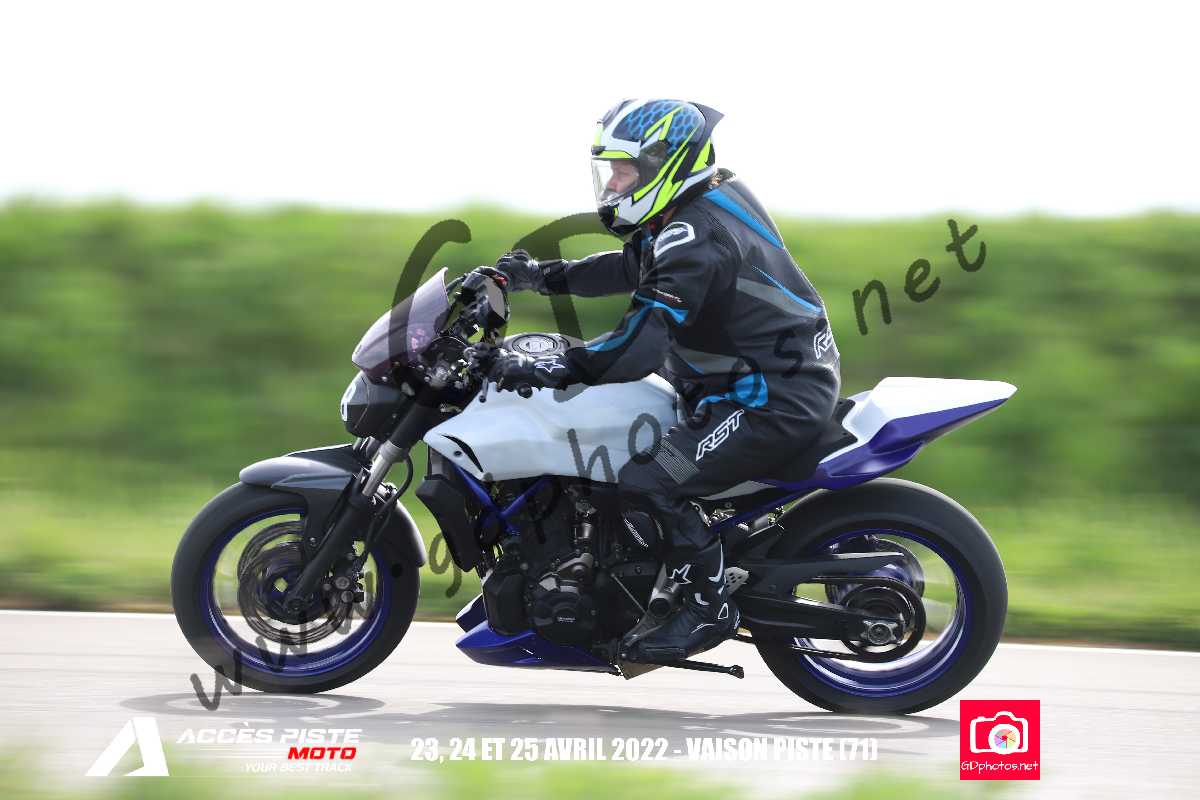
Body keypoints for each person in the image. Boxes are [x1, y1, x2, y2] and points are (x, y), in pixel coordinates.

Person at [489, 99, 841, 663]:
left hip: (769, 398)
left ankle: (707, 606)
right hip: (757, 382)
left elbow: (638, 348)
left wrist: (558, 368)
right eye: (610, 171)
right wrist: (540, 277)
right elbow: (631, 266)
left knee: (649, 479)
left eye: (624, 171)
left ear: (664, 165)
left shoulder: (694, 234)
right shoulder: (693, 210)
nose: (612, 185)